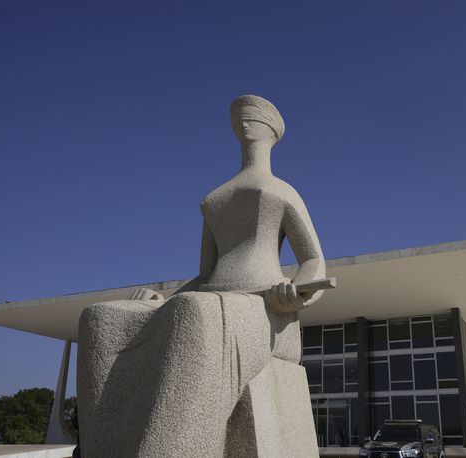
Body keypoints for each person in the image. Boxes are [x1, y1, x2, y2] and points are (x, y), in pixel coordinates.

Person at [77, 95, 327, 457]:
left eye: (253, 117)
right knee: (100, 318)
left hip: (268, 312)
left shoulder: (281, 190)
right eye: (239, 116)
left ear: (272, 130)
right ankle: (102, 447)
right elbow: (205, 273)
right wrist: (164, 300)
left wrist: (296, 293)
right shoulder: (215, 198)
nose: (244, 122)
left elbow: (315, 261)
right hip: (209, 299)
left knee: (196, 313)